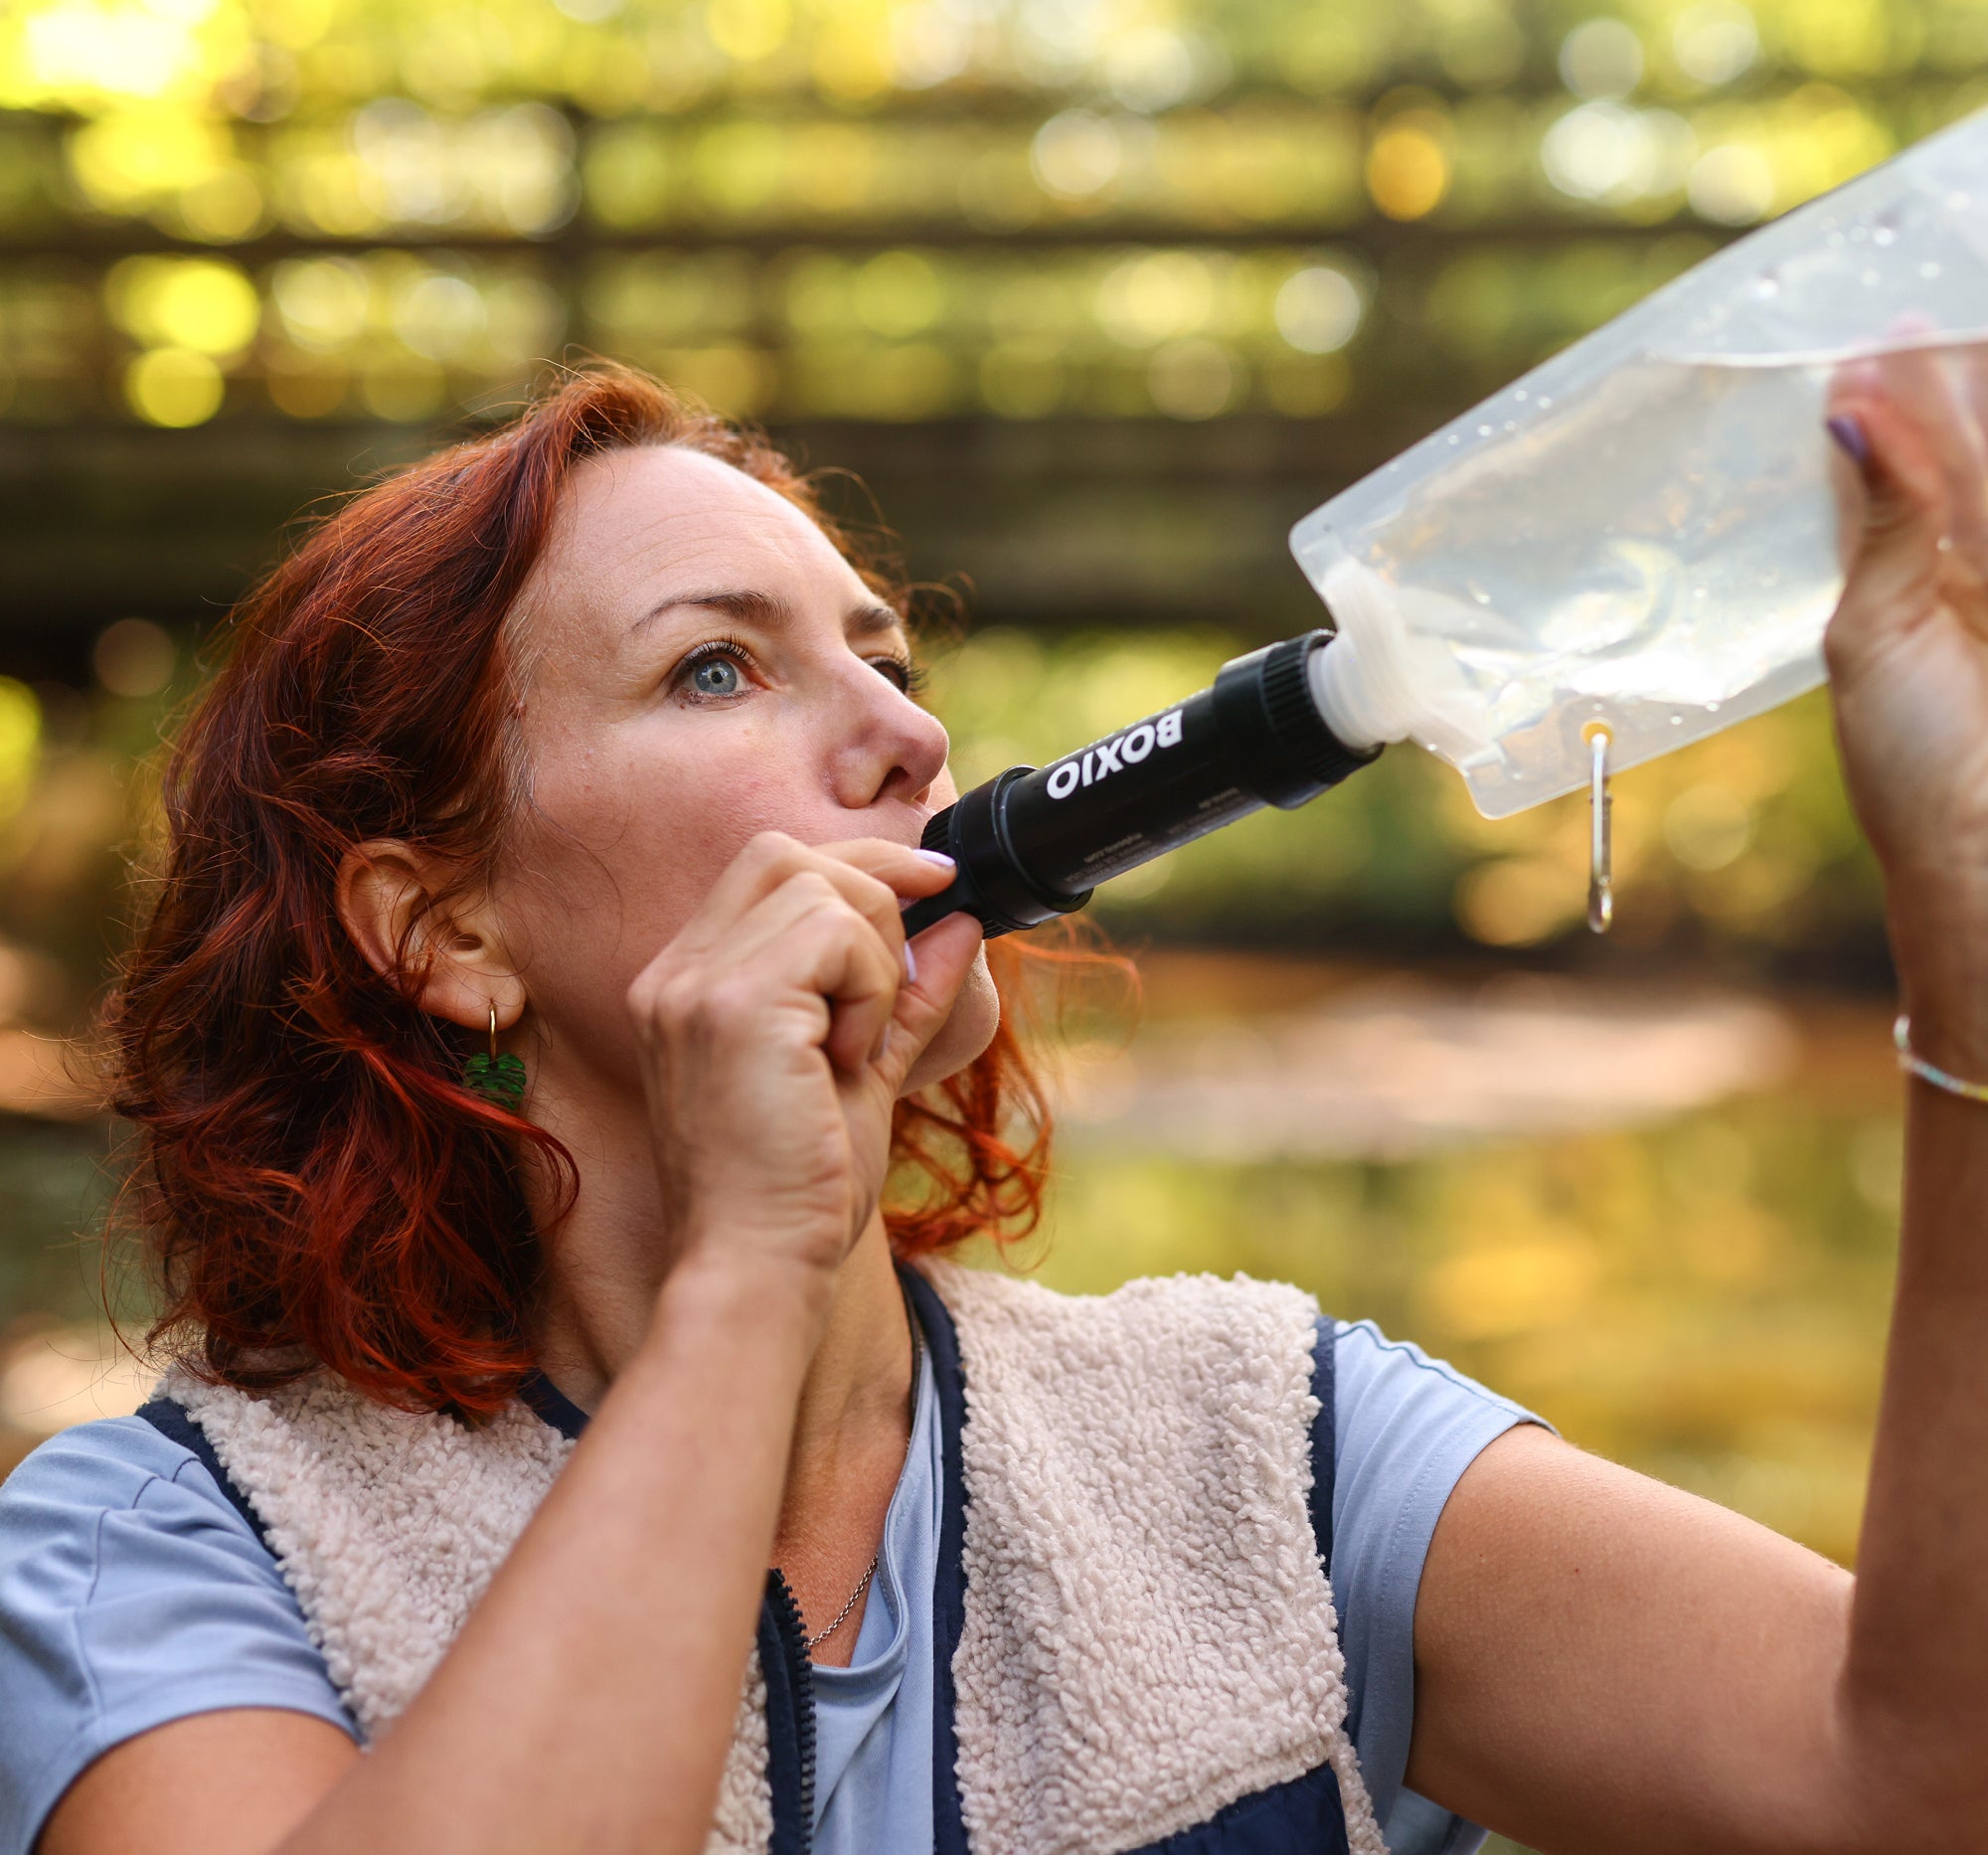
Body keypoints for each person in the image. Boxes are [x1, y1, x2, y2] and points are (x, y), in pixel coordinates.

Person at [0, 350, 1983, 1855]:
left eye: (882, 651)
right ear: (440, 930)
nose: (908, 731)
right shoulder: (164, 1552)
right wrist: (754, 1261)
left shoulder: (1266, 1447)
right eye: (717, 671)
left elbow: (1906, 1779)